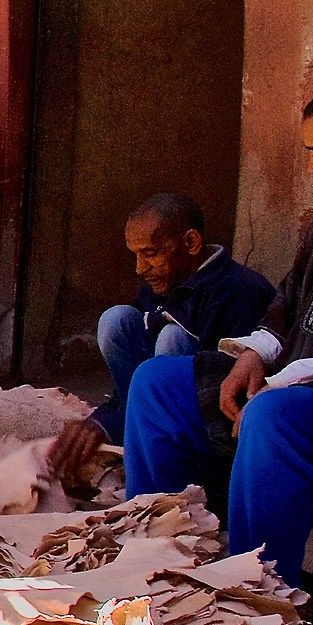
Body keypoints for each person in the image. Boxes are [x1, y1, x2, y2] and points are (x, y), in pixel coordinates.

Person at [123, 81, 313, 586]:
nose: (312, 167)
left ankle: (257, 591)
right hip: (305, 383)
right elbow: (291, 298)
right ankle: (161, 565)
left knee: (274, 412)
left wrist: (290, 379)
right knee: (157, 384)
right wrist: (256, 353)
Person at [46, 194, 277, 476]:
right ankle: (135, 430)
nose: (140, 268)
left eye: (151, 253)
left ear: (191, 243)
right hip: (154, 395)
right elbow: (131, 379)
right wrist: (104, 420)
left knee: (171, 340)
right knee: (115, 320)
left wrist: (113, 423)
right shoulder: (164, 282)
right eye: (136, 255)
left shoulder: (239, 291)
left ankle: (159, 445)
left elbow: (226, 393)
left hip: (207, 418)